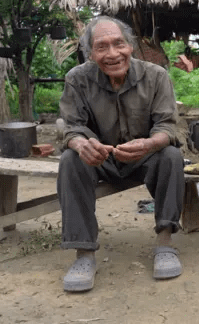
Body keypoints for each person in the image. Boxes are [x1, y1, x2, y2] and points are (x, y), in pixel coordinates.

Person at [57, 16, 185, 292]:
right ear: (90, 53)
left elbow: (168, 126)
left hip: (144, 157)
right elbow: (71, 128)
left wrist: (151, 143)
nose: (113, 54)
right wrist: (81, 145)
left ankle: (164, 244)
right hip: (99, 160)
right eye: (101, 47)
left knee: (172, 155)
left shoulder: (156, 76)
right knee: (69, 160)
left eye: (119, 44)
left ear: (131, 46)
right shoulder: (77, 79)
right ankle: (84, 254)